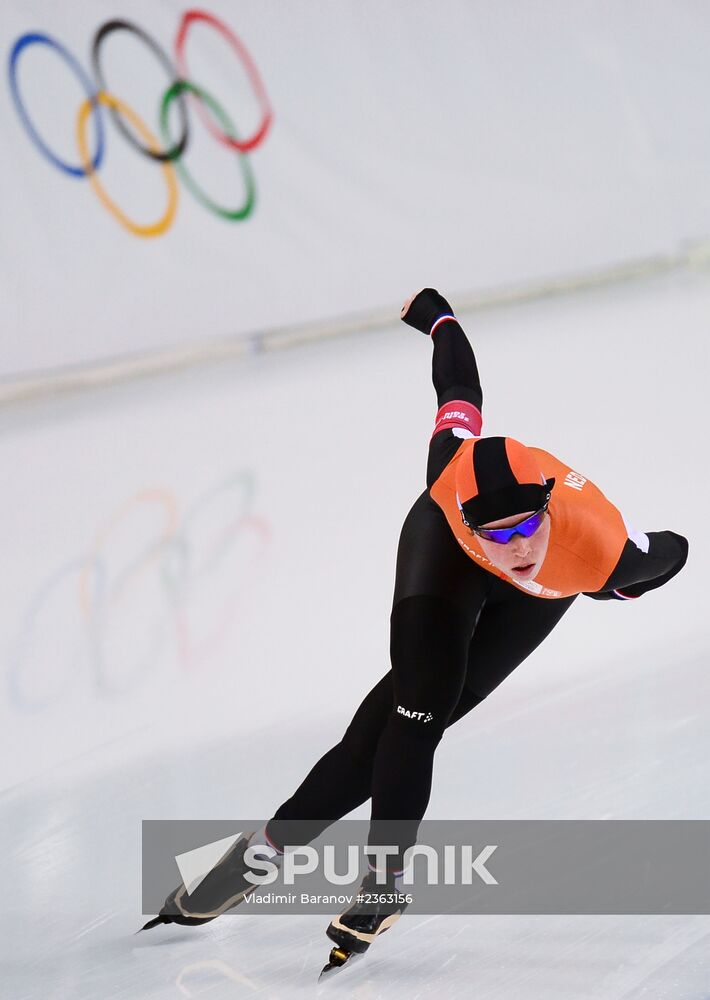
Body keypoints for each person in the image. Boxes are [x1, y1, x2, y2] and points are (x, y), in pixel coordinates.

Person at [146, 288, 689, 959]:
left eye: (527, 525)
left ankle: (315, 865)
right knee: (409, 716)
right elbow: (459, 387)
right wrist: (437, 318)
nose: (517, 547)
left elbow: (673, 552)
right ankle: (303, 864)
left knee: (394, 732)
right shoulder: (448, 474)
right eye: (498, 533)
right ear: (469, 518)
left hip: (549, 590)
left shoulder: (603, 550)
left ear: (549, 507)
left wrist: (620, 589)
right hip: (445, 558)